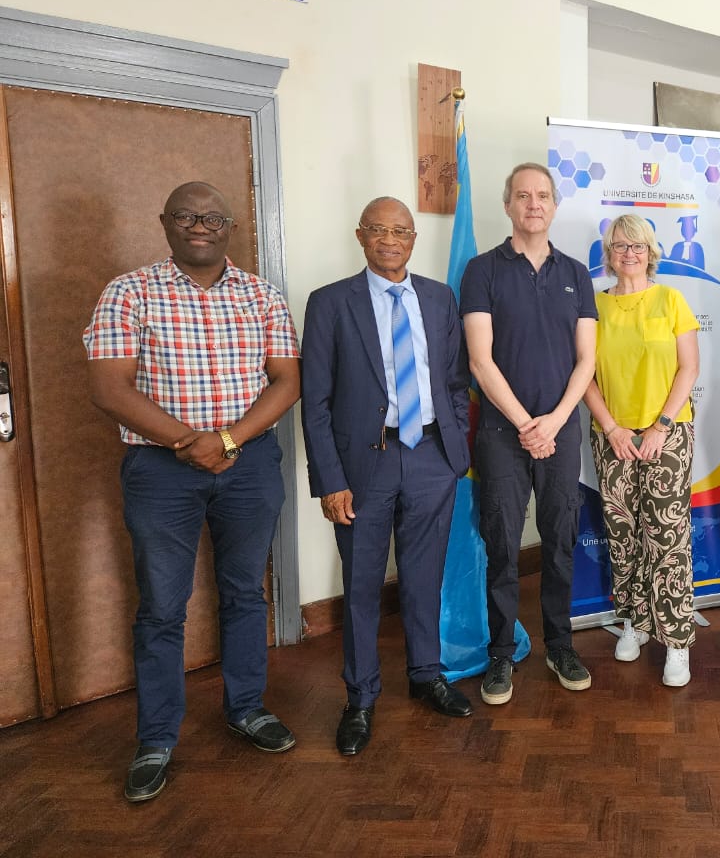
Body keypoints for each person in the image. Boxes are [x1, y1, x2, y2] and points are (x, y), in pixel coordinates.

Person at [84, 181, 300, 803]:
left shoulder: (261, 295)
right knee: (160, 605)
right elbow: (109, 388)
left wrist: (228, 441)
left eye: (211, 217)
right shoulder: (128, 292)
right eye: (185, 215)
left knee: (243, 592)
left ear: (230, 226)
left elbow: (287, 380)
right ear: (165, 223)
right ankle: (155, 738)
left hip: (249, 464)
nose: (199, 225)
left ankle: (247, 709)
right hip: (160, 472)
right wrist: (192, 441)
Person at [300, 196, 474, 757]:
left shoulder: (439, 297)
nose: (390, 239)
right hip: (363, 466)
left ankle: (426, 675)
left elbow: (452, 380)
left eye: (401, 230)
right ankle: (360, 697)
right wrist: (329, 479)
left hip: (430, 458)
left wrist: (453, 458)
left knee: (424, 579)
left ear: (413, 238)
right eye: (378, 230)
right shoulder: (330, 303)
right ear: (360, 235)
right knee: (361, 587)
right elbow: (316, 401)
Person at [460, 163, 597, 703]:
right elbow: (479, 359)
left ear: (554, 206)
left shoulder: (577, 273)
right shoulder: (482, 270)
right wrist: (524, 424)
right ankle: (500, 654)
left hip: (560, 431)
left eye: (542, 195)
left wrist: (555, 422)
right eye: (523, 195)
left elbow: (586, 360)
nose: (533, 204)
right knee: (502, 545)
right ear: (508, 205)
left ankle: (559, 646)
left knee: (560, 541)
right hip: (501, 432)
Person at [582, 214, 700, 687]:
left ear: (651, 252)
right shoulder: (593, 307)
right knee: (623, 533)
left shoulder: (671, 299)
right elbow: (584, 374)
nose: (628, 253)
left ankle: (677, 643)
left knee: (667, 538)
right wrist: (611, 427)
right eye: (618, 245)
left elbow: (688, 369)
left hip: (668, 435)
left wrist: (660, 426)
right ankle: (634, 623)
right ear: (608, 253)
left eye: (637, 245)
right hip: (611, 436)